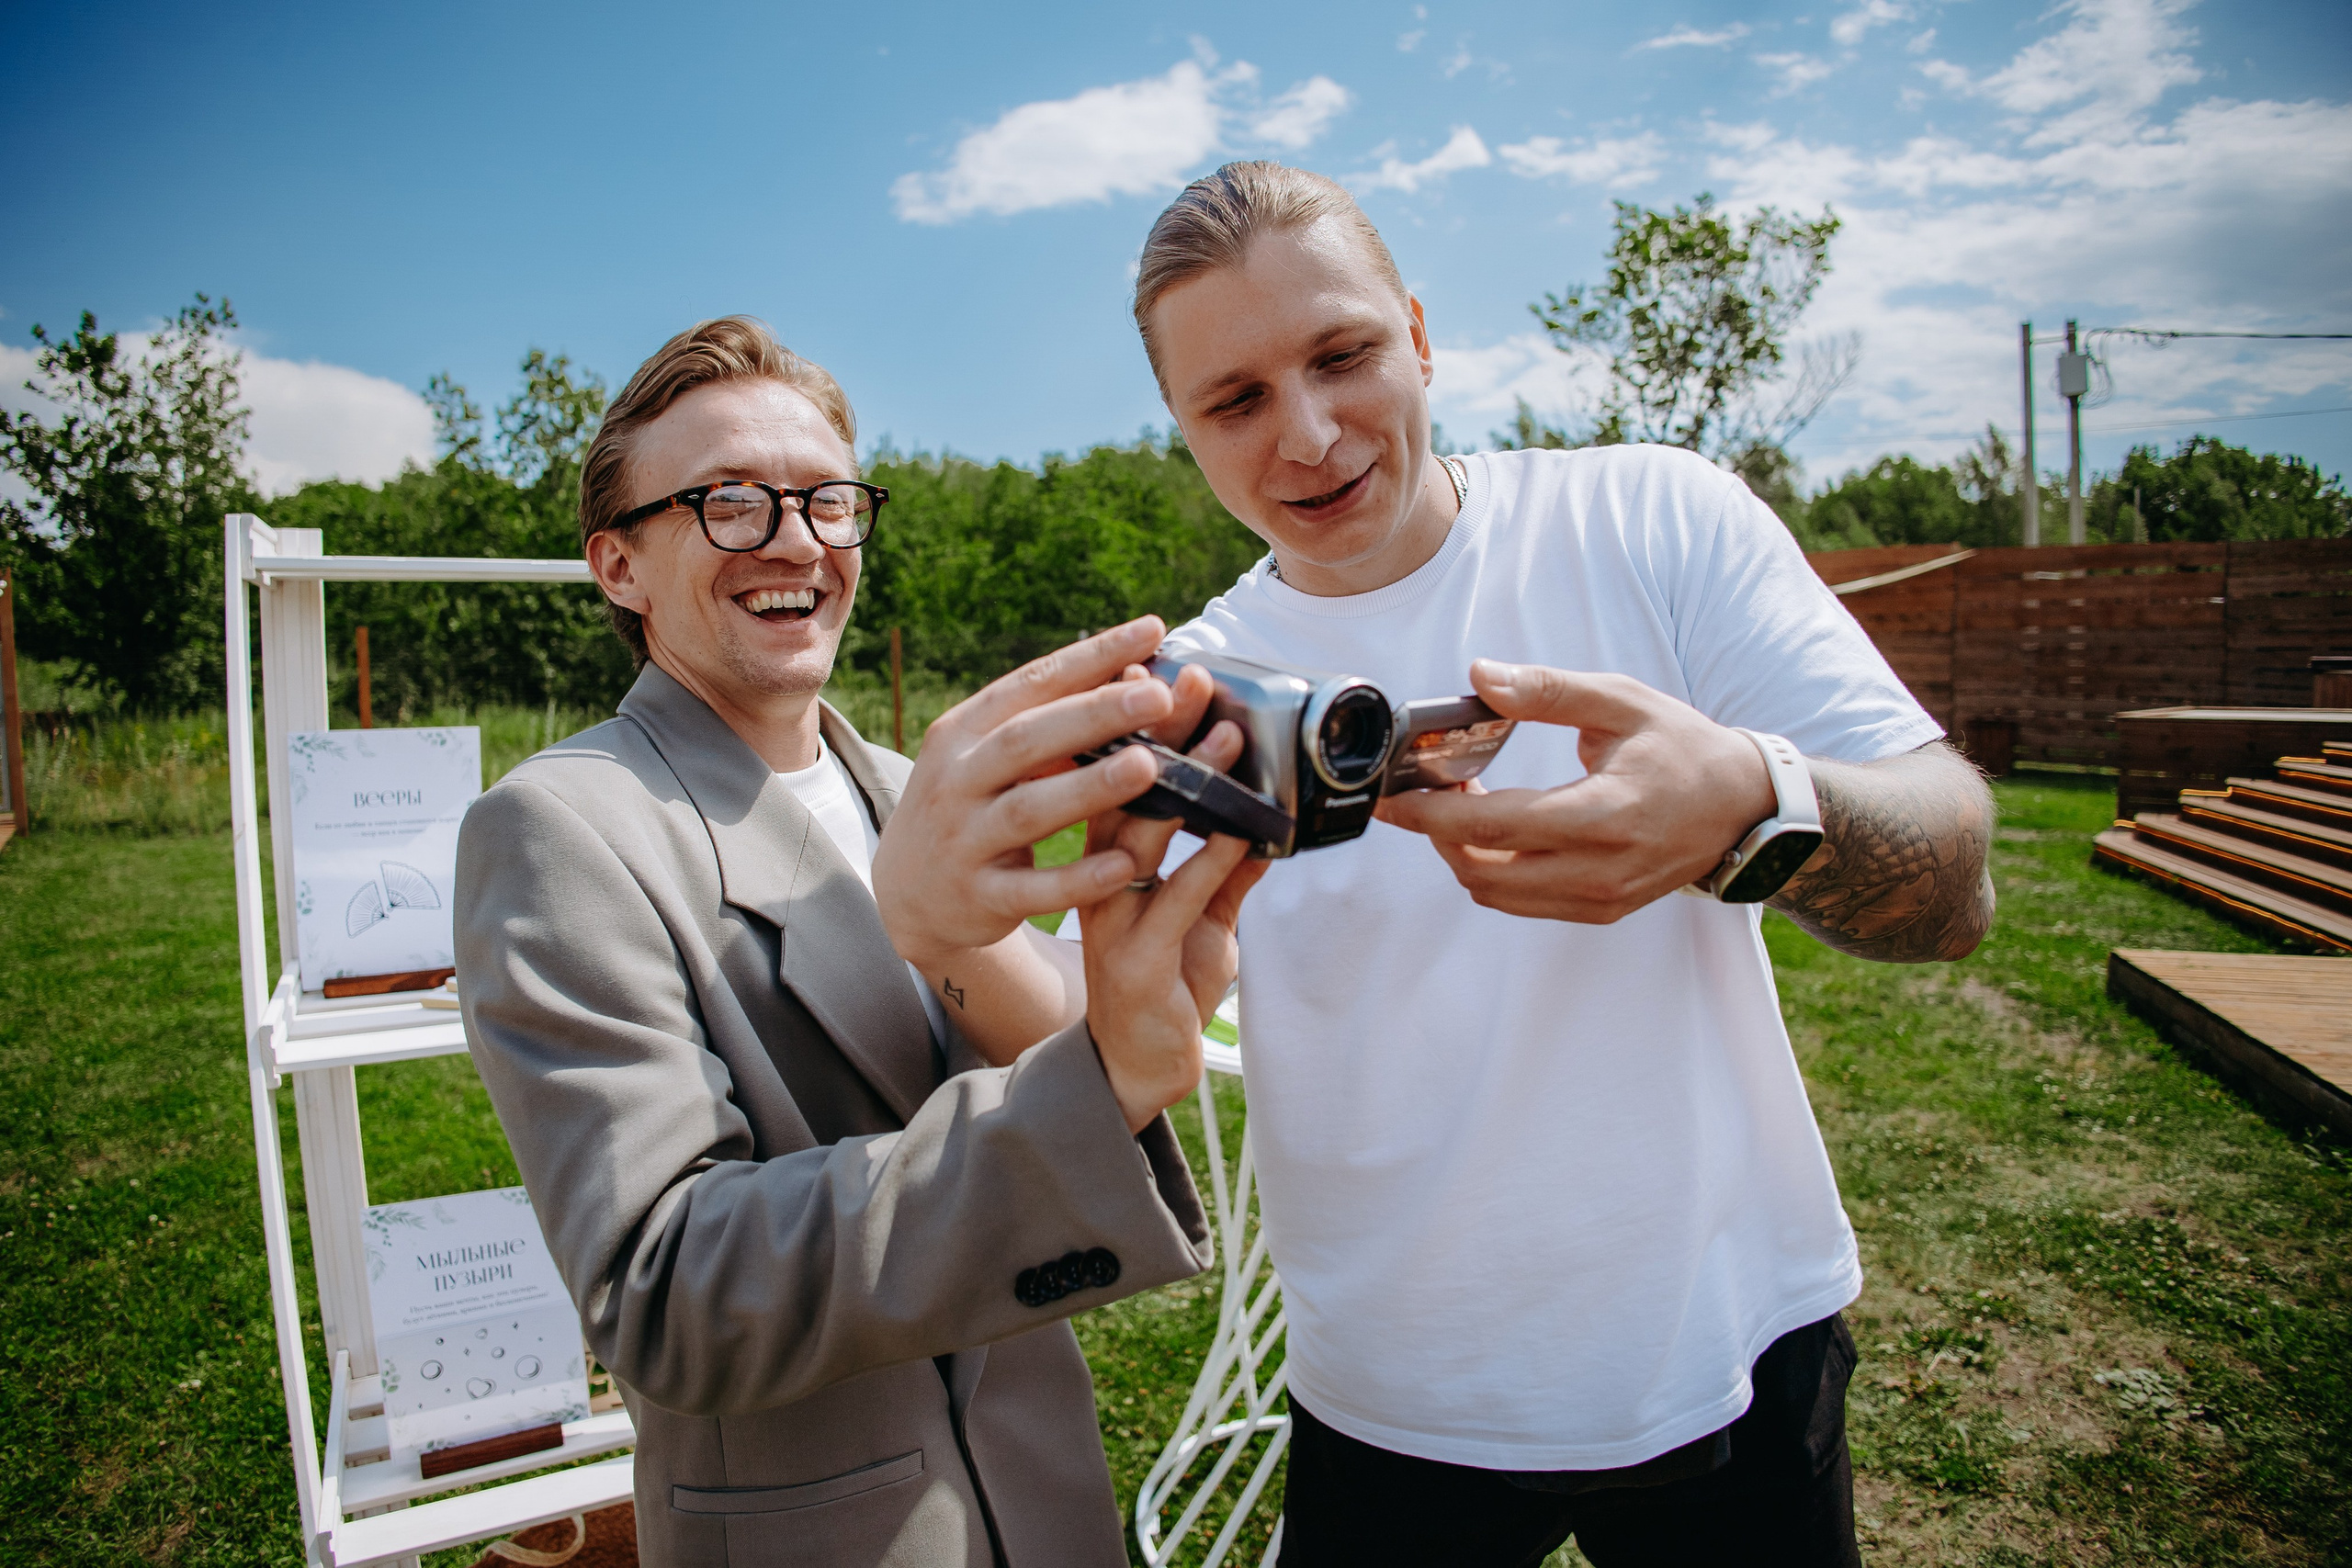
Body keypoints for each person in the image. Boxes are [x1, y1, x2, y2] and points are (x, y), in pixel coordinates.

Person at [1125, 164, 1996, 1566]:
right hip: (1390, 1398)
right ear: (1186, 430)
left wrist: (1748, 807)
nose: (1307, 434)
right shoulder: (1198, 697)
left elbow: (1954, 892)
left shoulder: (1658, 521)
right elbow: (1078, 1029)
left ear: (1418, 333)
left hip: (1733, 1337)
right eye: (1234, 401)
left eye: (1343, 355)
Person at [454, 316, 1266, 1567]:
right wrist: (1090, 1095)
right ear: (618, 565)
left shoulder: (910, 784)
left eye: (828, 499)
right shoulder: (559, 829)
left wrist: (1126, 990)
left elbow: (1052, 1038)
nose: (797, 540)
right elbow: (667, 1290)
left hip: (1045, 1496)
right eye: (732, 502)